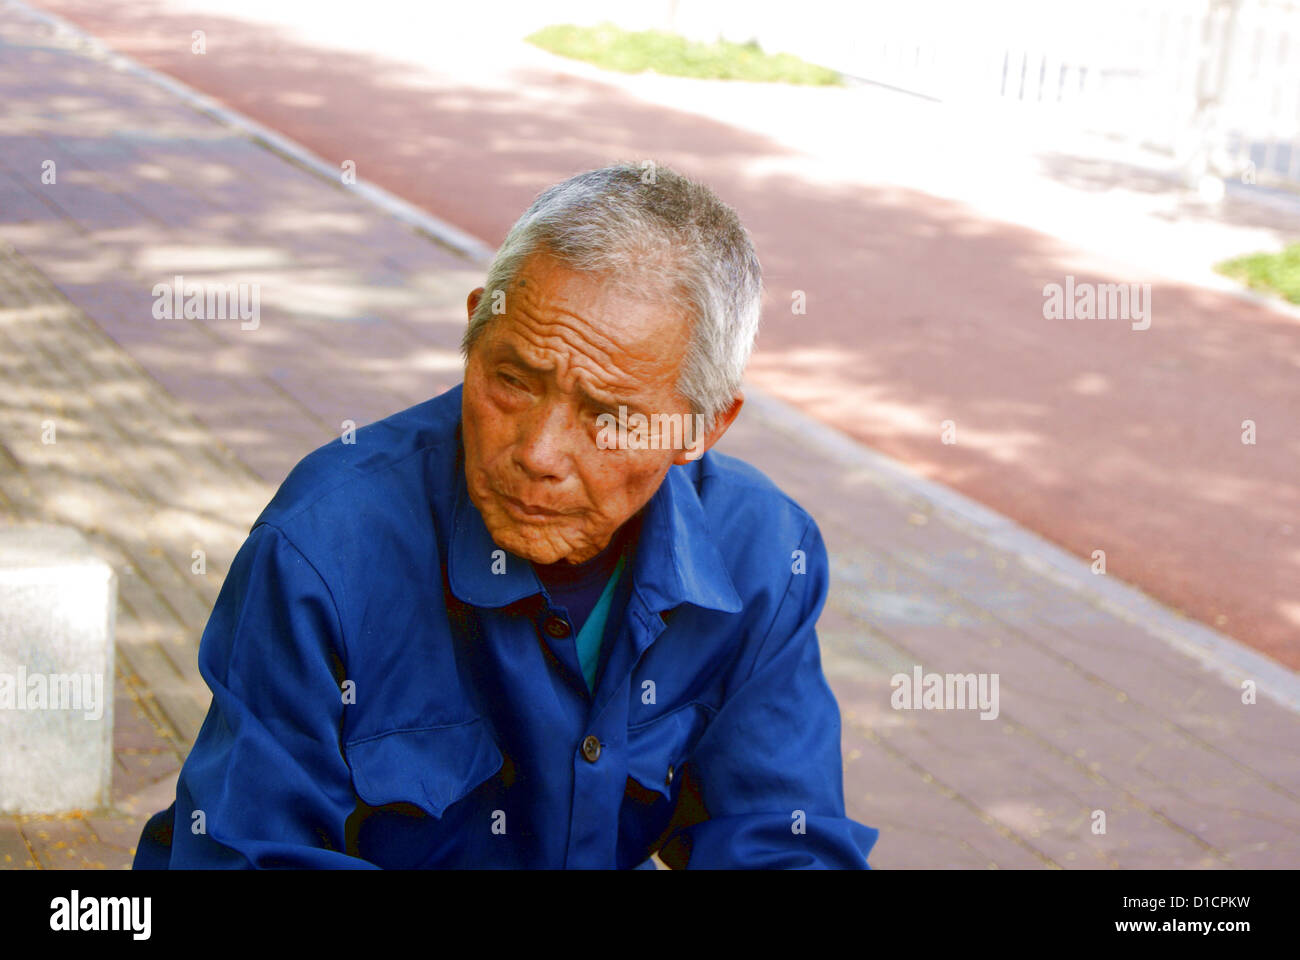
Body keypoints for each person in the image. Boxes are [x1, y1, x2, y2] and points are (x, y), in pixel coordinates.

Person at [133, 163, 879, 869]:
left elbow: (783, 841)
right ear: (474, 331)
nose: (538, 452)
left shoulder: (762, 556)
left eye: (608, 418)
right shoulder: (327, 549)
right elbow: (251, 854)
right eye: (513, 380)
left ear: (701, 431)